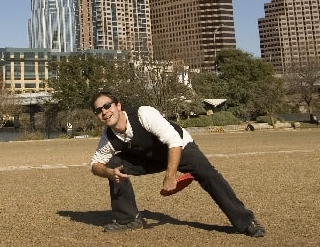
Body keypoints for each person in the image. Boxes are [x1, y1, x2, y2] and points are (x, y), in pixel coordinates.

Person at [89, 90, 265, 237]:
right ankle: (128, 219)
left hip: (179, 146)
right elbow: (95, 164)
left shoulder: (143, 114)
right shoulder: (108, 136)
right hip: (150, 158)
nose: (104, 112)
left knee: (208, 175)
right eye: (98, 110)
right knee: (113, 163)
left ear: (118, 105)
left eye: (107, 106)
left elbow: (174, 140)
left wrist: (170, 176)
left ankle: (246, 221)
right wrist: (110, 173)